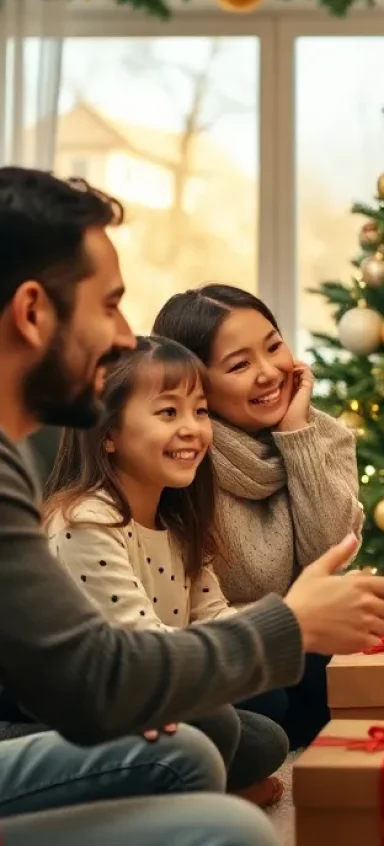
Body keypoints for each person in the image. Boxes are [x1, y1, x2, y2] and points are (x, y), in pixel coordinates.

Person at [0, 167, 384, 846]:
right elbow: (97, 675)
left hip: (135, 687)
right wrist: (289, 625)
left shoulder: (19, 467)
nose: (125, 338)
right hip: (121, 693)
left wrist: (144, 687)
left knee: (196, 744)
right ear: (32, 314)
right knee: (216, 786)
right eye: (112, 306)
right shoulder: (85, 502)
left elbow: (83, 675)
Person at [43, 335, 290, 807]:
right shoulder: (84, 521)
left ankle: (192, 783)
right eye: (168, 412)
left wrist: (288, 622)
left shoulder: (176, 522)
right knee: (218, 725)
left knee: (266, 732)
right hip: (65, 711)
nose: (193, 429)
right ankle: (195, 793)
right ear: (108, 432)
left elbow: (211, 618)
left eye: (200, 411)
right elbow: (145, 651)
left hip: (147, 695)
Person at [153, 284, 363, 748]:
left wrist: (297, 437)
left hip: (295, 641)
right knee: (271, 699)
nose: (270, 372)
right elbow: (182, 615)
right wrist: (283, 623)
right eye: (240, 365)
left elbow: (327, 557)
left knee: (345, 672)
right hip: (220, 648)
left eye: (274, 346)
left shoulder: (322, 434)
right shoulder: (180, 452)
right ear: (195, 381)